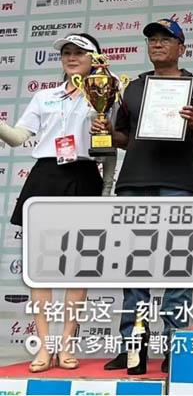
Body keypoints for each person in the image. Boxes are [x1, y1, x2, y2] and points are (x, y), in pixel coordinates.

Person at [98, 19, 193, 373]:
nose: (157, 43)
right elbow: (124, 139)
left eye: (166, 39)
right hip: (132, 183)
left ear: (181, 48)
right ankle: (132, 347)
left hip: (177, 183)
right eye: (152, 39)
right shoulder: (134, 87)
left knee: (176, 269)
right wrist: (107, 129)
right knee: (133, 269)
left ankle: (174, 346)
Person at [0, 33, 115, 372]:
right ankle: (43, 345)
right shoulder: (44, 96)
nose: (71, 57)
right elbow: (18, 137)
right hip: (46, 177)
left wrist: (106, 192)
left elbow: (108, 149)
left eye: (79, 52)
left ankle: (66, 345)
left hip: (84, 176)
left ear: (95, 58)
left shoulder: (105, 94)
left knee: (79, 266)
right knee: (41, 269)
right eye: (66, 52)